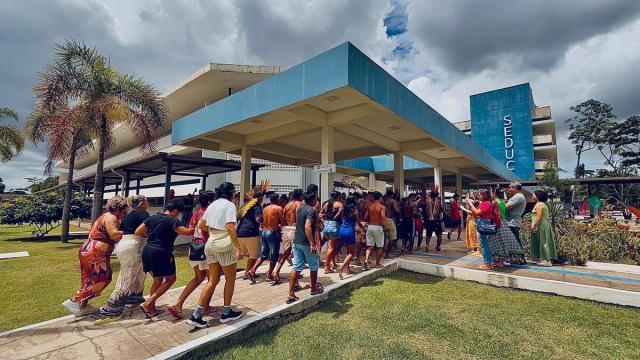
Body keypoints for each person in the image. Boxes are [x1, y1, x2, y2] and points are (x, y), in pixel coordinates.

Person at [188, 182, 244, 328]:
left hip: (210, 244)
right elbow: (230, 227)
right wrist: (238, 248)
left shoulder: (212, 205)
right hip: (224, 246)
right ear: (231, 193)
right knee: (230, 279)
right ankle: (226, 312)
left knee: (212, 280)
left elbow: (202, 225)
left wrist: (214, 230)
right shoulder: (230, 205)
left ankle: (196, 314)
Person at [63, 196, 128, 317]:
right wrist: (130, 231)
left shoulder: (105, 216)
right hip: (96, 253)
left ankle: (82, 306)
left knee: (89, 281)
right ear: (119, 209)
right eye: (125, 212)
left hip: (88, 250)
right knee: (103, 280)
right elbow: (114, 234)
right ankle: (74, 300)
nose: (125, 214)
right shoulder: (111, 218)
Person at [95, 195, 149, 323]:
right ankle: (111, 309)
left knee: (139, 272)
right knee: (127, 276)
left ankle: (134, 298)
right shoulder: (143, 214)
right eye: (146, 201)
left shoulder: (130, 216)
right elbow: (145, 230)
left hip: (125, 244)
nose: (148, 203)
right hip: (133, 245)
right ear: (141, 203)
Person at [137, 200, 194, 318]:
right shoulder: (172, 220)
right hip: (162, 252)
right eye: (179, 213)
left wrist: (152, 236)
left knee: (157, 281)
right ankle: (148, 303)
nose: (179, 215)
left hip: (148, 250)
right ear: (176, 211)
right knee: (170, 279)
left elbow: (138, 231)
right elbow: (186, 232)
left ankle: (151, 309)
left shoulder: (152, 217)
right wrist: (196, 225)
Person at [167, 191, 216, 320]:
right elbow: (209, 230)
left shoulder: (195, 213)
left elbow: (190, 229)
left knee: (198, 278)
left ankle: (178, 304)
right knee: (212, 280)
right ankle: (204, 307)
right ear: (211, 202)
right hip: (206, 249)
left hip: (194, 248)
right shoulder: (210, 213)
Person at [286, 190, 324, 304]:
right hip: (306, 243)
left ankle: (290, 293)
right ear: (313, 200)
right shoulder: (311, 210)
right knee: (314, 265)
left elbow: (304, 224)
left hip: (297, 241)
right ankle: (313, 288)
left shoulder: (299, 208)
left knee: (296, 267)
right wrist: (312, 243)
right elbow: (307, 226)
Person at [247, 192, 285, 284]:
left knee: (263, 254)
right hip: (273, 232)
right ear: (277, 199)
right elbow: (283, 222)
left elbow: (263, 220)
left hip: (264, 232)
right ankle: (269, 275)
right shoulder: (279, 208)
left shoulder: (265, 208)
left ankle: (252, 270)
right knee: (274, 255)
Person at [273, 188, 303, 283]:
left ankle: (276, 272)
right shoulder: (299, 204)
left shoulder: (287, 205)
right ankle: (296, 282)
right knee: (298, 255)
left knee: (286, 252)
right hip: (295, 230)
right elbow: (299, 218)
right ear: (301, 195)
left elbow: (284, 218)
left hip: (286, 229)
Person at [489, 189, 524, 267]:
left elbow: (495, 214)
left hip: (497, 223)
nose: (491, 195)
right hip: (504, 222)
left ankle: (499, 261)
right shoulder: (502, 202)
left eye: (491, 193)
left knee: (497, 243)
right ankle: (504, 260)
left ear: (494, 194)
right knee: (504, 242)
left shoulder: (495, 202)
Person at [466, 189, 496, 270]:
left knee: (483, 244)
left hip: (483, 223)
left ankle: (487, 263)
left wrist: (470, 204)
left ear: (484, 196)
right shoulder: (485, 203)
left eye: (480, 195)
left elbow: (478, 212)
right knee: (484, 244)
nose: (478, 196)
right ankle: (489, 263)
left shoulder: (486, 203)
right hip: (482, 222)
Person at [237, 192, 264, 281]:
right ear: (259, 199)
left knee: (243, 253)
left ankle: (227, 270)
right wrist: (265, 222)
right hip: (250, 233)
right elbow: (258, 219)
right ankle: (247, 273)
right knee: (254, 255)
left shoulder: (245, 206)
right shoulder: (257, 206)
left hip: (240, 232)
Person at [338, 194, 365, 279]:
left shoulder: (344, 209)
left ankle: (348, 268)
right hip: (350, 230)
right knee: (351, 253)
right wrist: (363, 228)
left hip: (342, 229)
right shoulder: (354, 210)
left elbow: (342, 218)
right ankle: (341, 268)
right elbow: (358, 222)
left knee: (348, 250)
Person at [531, 190, 558, 267]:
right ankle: (545, 259)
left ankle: (547, 260)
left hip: (541, 225)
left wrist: (534, 226)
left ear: (537, 196)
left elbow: (539, 217)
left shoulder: (539, 205)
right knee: (544, 241)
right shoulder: (542, 204)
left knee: (543, 241)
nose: (532, 196)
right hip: (544, 225)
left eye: (533, 195)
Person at [321, 191, 344, 273]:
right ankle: (327, 267)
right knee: (331, 247)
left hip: (327, 224)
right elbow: (341, 212)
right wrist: (334, 217)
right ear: (338, 196)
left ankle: (332, 263)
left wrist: (324, 221)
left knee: (330, 246)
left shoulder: (326, 204)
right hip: (334, 225)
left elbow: (321, 214)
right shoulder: (339, 204)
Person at [505, 182, 527, 264]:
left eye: (510, 187)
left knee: (515, 241)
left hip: (512, 222)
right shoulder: (517, 196)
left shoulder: (518, 197)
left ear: (515, 188)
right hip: (512, 222)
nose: (509, 189)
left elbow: (506, 207)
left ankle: (520, 259)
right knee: (513, 241)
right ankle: (515, 258)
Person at [365, 191, 386, 269]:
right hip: (378, 227)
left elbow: (366, 216)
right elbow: (383, 217)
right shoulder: (382, 207)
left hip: (370, 226)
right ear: (380, 197)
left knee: (369, 246)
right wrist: (385, 226)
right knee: (380, 246)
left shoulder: (370, 206)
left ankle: (366, 260)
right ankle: (377, 263)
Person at [424, 188, 445, 252]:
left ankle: (427, 245)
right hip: (436, 221)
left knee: (428, 234)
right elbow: (443, 211)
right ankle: (438, 247)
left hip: (428, 221)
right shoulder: (438, 203)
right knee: (439, 235)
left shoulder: (426, 201)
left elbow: (423, 210)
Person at [383, 190, 399, 258]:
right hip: (390, 219)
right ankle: (387, 254)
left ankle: (383, 248)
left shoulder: (382, 201)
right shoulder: (392, 201)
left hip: (382, 219)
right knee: (392, 238)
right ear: (392, 195)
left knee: (383, 237)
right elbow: (396, 210)